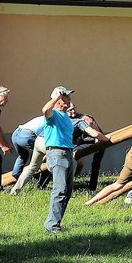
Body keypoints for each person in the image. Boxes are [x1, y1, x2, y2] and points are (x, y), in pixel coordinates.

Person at [42, 86, 83, 233]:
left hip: (67, 153)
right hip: (57, 154)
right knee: (59, 190)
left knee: (67, 191)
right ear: (59, 100)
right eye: (66, 97)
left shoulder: (65, 116)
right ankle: (51, 225)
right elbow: (45, 110)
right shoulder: (53, 115)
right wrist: (54, 98)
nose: (69, 99)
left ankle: (56, 223)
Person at [66, 103, 110, 191]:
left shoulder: (84, 118)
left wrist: (98, 144)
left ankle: (92, 188)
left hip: (96, 140)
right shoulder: (66, 119)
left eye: (74, 108)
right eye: (70, 110)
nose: (73, 111)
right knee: (74, 157)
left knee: (95, 164)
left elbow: (95, 131)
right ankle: (71, 181)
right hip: (82, 142)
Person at [10, 113, 45, 182]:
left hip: (16, 133)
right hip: (27, 135)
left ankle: (16, 174)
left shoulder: (42, 117)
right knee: (38, 155)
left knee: (23, 155)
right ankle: (38, 180)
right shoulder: (53, 120)